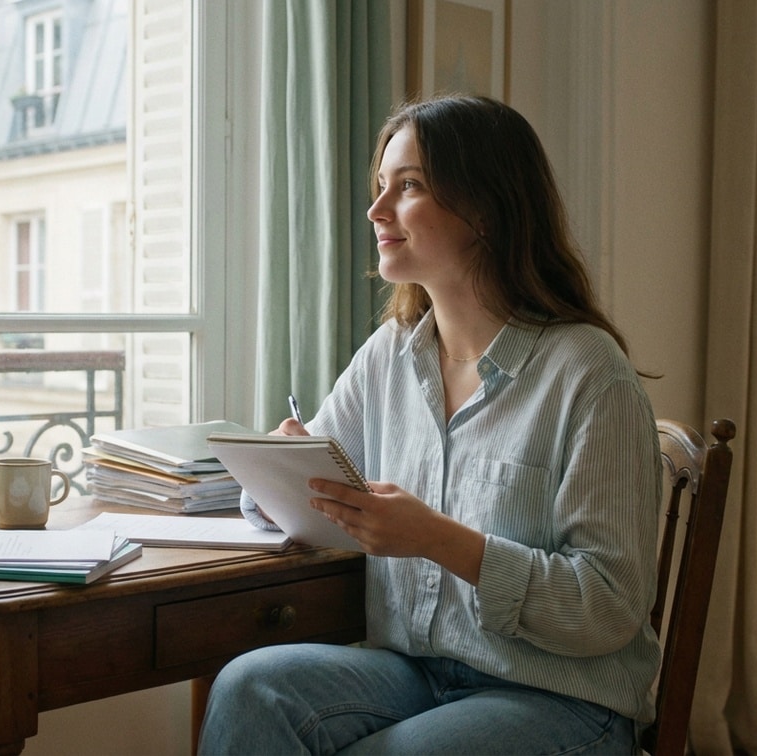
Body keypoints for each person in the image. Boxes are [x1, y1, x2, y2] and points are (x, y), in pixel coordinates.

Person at [197, 96, 663, 755]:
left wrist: (440, 540)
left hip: (563, 697)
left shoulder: (588, 373)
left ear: (486, 206)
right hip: (417, 672)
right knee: (250, 687)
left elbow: (610, 607)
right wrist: (283, 463)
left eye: (408, 185)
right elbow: (305, 501)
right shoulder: (391, 352)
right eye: (380, 186)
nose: (377, 210)